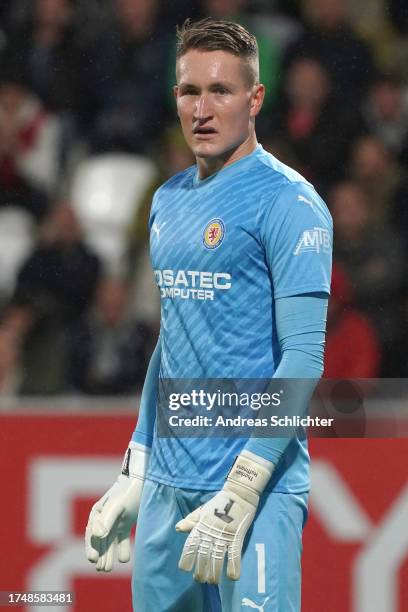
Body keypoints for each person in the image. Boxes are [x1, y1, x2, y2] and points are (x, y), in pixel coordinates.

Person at [85, 18, 332, 611]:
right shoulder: (167, 201)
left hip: (254, 490)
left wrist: (245, 486)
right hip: (168, 489)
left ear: (255, 98)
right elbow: (172, 343)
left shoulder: (290, 203)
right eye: (189, 90)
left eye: (220, 91)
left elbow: (304, 355)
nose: (202, 107)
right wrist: (137, 465)